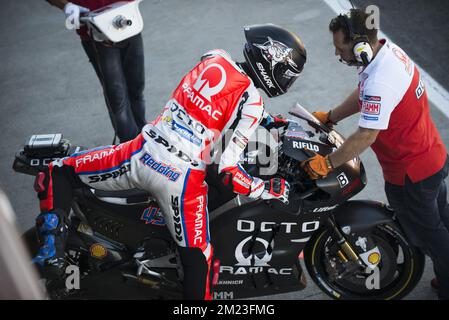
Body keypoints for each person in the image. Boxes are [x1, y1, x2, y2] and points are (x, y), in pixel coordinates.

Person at [32, 24, 307, 299]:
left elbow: (217, 97)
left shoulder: (214, 56)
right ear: (272, 60)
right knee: (199, 259)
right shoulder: (253, 103)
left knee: (59, 170)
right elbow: (227, 171)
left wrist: (262, 119)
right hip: (181, 182)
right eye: (288, 73)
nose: (286, 80)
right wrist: (268, 189)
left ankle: (50, 254)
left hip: (141, 153)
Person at [301, 8, 449, 299]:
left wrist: (327, 163)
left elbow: (367, 135)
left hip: (411, 174)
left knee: (430, 234)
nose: (337, 54)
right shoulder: (386, 53)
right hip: (430, 157)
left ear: (359, 46)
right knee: (441, 221)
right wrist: (332, 115)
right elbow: (365, 93)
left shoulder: (381, 80)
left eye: (339, 48)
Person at [46, 0, 147, 143]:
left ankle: (145, 140)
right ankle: (131, 149)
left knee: (136, 89)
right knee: (118, 98)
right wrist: (66, 5)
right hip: (95, 30)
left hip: (128, 18)